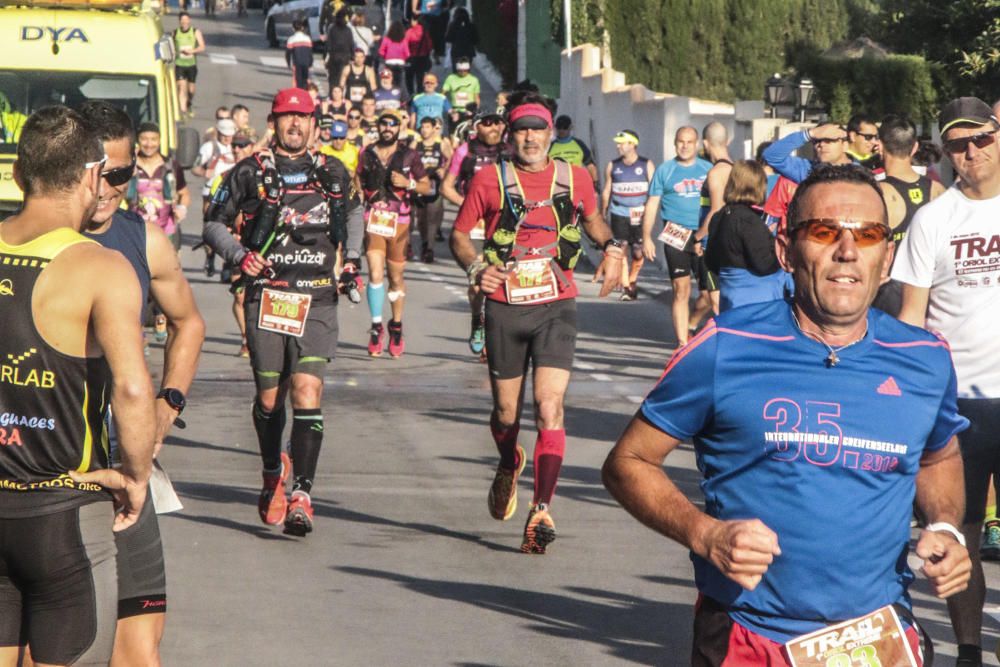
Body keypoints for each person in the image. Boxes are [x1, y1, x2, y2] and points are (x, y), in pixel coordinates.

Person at [605, 163, 972, 666]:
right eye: (824, 232)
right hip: (750, 635)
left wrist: (947, 528)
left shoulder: (925, 357)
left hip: (879, 636)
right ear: (785, 250)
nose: (847, 251)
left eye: (867, 235)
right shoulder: (725, 346)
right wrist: (704, 533)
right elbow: (628, 461)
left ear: (886, 258)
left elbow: (937, 457)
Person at [0, 105, 155, 666]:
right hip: (62, 507)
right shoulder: (100, 266)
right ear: (92, 174)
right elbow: (134, 390)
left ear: (20, 174)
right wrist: (134, 475)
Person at [449, 92, 624, 553]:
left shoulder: (574, 177)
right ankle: (509, 460)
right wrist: (475, 269)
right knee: (507, 413)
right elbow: (460, 235)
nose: (530, 137)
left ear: (551, 134)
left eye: (538, 129)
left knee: (550, 407)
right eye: (522, 129)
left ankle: (541, 508)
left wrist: (612, 247)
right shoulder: (489, 179)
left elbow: (594, 221)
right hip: (505, 303)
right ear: (511, 136)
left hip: (556, 303)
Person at [78, 100, 205, 667]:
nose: (109, 188)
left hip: (125, 460)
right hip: (46, 464)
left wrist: (168, 403)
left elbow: (189, 322)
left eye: (123, 174)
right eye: (99, 171)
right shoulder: (26, 239)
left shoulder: (145, 240)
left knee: (138, 646)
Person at [203, 88, 357, 537]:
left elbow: (355, 212)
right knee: (271, 401)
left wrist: (352, 261)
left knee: (308, 390)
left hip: (317, 297)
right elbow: (212, 222)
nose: (295, 125)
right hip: (267, 296)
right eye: (286, 117)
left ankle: (303, 495)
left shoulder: (333, 170)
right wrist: (239, 255)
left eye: (303, 117)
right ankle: (273, 471)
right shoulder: (248, 172)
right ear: (273, 122)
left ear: (314, 123)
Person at [894, 97, 1000, 667]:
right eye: (958, 144)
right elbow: (912, 319)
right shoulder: (934, 220)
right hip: (959, 403)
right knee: (958, 535)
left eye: (981, 138)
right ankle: (969, 652)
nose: (972, 152)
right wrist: (907, 400)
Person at [356, 109, 431, 357]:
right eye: (383, 123)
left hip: (400, 222)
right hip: (374, 220)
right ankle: (377, 326)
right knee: (375, 273)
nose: (388, 127)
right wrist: (361, 200)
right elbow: (357, 181)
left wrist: (408, 183)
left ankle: (396, 325)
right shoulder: (366, 153)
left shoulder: (410, 155)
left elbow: (426, 186)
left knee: (396, 278)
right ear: (378, 127)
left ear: (399, 128)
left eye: (392, 124)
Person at [441, 108, 508, 356]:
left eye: (498, 123)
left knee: (502, 280)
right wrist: (469, 207)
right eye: (488, 123)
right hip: (475, 226)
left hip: (504, 226)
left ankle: (496, 334)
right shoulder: (464, 151)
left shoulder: (510, 151)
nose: (494, 128)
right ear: (476, 127)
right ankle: (477, 321)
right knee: (480, 283)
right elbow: (446, 188)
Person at [641, 126, 713, 347]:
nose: (684, 146)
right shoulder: (665, 170)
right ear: (675, 143)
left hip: (704, 235)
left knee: (709, 295)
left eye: (689, 142)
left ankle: (691, 324)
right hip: (676, 234)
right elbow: (652, 205)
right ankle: (682, 343)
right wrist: (646, 237)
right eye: (680, 141)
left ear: (697, 144)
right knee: (681, 290)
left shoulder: (708, 169)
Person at [871, 114, 944, 317]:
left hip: (890, 293)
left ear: (880, 146)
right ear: (914, 148)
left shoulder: (877, 193)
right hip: (930, 289)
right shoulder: (937, 190)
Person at [704, 160, 787, 312]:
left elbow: (711, 261)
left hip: (729, 295)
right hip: (756, 300)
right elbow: (764, 265)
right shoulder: (749, 220)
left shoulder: (719, 217)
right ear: (759, 187)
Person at [209, 132, 258, 357]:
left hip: (261, 242)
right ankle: (246, 337)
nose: (238, 149)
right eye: (235, 146)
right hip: (236, 243)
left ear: (252, 147)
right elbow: (212, 211)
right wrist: (226, 233)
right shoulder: (225, 176)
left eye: (243, 146)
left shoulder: (265, 173)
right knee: (239, 294)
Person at [601, 129, 653, 301]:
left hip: (639, 214)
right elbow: (607, 190)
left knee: (638, 251)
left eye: (622, 143)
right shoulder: (613, 165)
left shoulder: (646, 165)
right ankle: (626, 286)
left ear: (633, 144)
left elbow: (654, 192)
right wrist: (603, 211)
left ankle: (633, 279)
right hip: (618, 212)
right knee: (621, 247)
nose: (618, 146)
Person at [128, 121, 190, 253]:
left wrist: (182, 208)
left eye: (153, 139)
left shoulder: (170, 166)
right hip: (135, 230)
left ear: (160, 141)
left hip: (166, 230)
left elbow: (184, 193)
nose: (149, 144)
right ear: (137, 140)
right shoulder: (129, 165)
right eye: (144, 139)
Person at [693, 120, 732, 313]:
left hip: (715, 243)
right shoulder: (737, 169)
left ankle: (725, 341)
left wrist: (698, 237)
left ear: (706, 144)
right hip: (733, 240)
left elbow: (715, 210)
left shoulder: (716, 173)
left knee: (716, 300)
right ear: (728, 141)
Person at [193, 117, 237, 278]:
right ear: (218, 132)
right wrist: (205, 173)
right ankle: (210, 257)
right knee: (210, 227)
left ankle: (227, 266)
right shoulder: (208, 147)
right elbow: (195, 167)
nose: (227, 138)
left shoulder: (237, 147)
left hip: (233, 194)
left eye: (230, 134)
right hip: (211, 193)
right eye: (224, 134)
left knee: (232, 230)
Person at [414, 116, 451, 263]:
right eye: (422, 127)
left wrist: (443, 169)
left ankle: (430, 248)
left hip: (435, 183)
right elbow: (407, 158)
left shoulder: (440, 144)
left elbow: (452, 159)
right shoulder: (416, 144)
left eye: (427, 127)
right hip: (420, 184)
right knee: (421, 219)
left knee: (432, 216)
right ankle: (424, 242)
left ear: (433, 128)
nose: (424, 130)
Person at [549, 115, 599, 184]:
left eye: (565, 127)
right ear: (555, 127)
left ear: (570, 127)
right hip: (557, 186)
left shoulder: (579, 144)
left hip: (577, 185)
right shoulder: (549, 146)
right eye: (559, 127)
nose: (561, 130)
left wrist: (596, 185)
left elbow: (591, 166)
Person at [173, 12, 205, 117]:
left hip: (191, 65)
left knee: (191, 90)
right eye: (182, 20)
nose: (184, 22)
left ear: (189, 21)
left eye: (186, 20)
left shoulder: (195, 32)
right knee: (181, 88)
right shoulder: (175, 32)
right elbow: (172, 48)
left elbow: (202, 47)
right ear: (179, 22)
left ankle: (189, 102)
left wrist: (192, 51)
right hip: (179, 64)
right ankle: (182, 111)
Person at [442, 58, 480, 133]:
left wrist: (476, 111)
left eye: (465, 70)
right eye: (460, 70)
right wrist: (448, 109)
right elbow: (442, 95)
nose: (462, 72)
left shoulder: (474, 80)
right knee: (453, 134)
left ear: (468, 69)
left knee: (468, 134)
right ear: (457, 69)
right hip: (455, 111)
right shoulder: (451, 78)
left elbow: (477, 97)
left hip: (469, 111)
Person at [325, 8, 355, 93]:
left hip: (334, 56)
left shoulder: (332, 29)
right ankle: (340, 94)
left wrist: (326, 57)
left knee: (333, 78)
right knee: (342, 78)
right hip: (345, 56)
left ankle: (332, 94)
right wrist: (352, 56)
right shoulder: (348, 29)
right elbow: (351, 43)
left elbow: (328, 44)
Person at [404, 13, 433, 98]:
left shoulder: (410, 31)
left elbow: (405, 45)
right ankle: (420, 94)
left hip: (411, 58)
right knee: (420, 77)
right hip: (423, 58)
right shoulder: (425, 32)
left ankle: (411, 93)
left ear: (415, 21)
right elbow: (430, 46)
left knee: (409, 77)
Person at [378, 21, 409, 88]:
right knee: (398, 82)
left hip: (389, 62)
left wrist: (385, 56)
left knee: (389, 80)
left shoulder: (387, 39)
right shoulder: (404, 40)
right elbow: (407, 53)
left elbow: (381, 51)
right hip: (400, 63)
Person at [286, 19, 315, 91]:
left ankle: (299, 94)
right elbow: (310, 53)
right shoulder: (307, 38)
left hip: (297, 63)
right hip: (306, 63)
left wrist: (288, 64)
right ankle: (306, 94)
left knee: (298, 81)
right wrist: (311, 63)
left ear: (293, 28)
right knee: (306, 80)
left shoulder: (291, 39)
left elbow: (288, 53)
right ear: (302, 28)